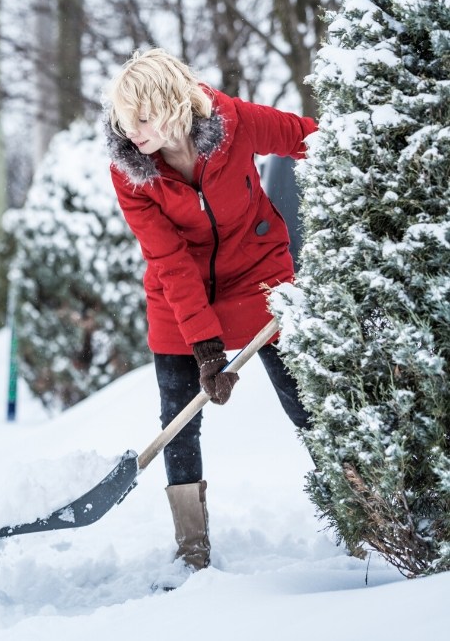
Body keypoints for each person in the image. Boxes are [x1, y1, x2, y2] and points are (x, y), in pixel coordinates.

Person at [102, 48, 317, 573]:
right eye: (127, 125)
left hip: (259, 273)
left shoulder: (233, 122)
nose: (134, 135)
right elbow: (168, 260)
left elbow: (307, 138)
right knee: (178, 419)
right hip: (181, 293)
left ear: (172, 103)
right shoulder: (132, 172)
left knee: (305, 400)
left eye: (144, 119)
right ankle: (192, 549)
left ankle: (363, 510)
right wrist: (204, 346)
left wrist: (354, 185)